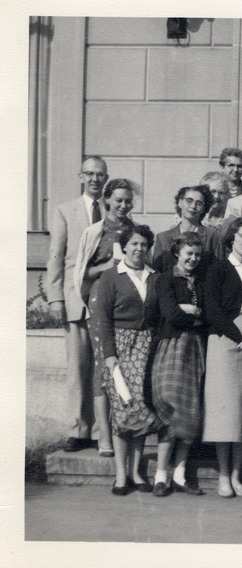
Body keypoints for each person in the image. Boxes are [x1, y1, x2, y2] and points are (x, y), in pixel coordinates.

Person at [46, 156, 109, 454]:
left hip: (107, 301)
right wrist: (55, 296)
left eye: (100, 174)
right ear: (80, 177)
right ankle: (78, 428)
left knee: (103, 367)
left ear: (105, 178)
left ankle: (101, 431)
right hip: (75, 299)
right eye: (89, 174)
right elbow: (56, 257)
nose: (95, 179)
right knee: (78, 368)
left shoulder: (114, 210)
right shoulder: (65, 211)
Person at [93, 225, 161, 495]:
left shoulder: (155, 276)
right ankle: (121, 474)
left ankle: (136, 472)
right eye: (134, 244)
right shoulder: (111, 276)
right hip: (120, 346)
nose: (139, 249)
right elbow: (101, 319)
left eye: (144, 244)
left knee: (142, 407)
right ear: (125, 246)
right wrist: (109, 355)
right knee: (123, 407)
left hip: (148, 346)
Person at [202, 218, 242, 498]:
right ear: (232, 238)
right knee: (224, 415)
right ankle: (224, 477)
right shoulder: (216, 268)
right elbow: (213, 311)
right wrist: (241, 340)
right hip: (224, 344)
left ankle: (238, 476)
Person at [74, 177, 137, 458]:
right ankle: (104, 435)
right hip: (100, 303)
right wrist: (106, 266)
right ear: (107, 200)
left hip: (127, 305)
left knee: (126, 366)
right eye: (119, 200)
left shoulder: (135, 231)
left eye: (128, 201)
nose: (123, 205)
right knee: (103, 366)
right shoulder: (94, 232)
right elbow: (82, 273)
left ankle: (125, 428)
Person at [151, 233, 208, 497]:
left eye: (197, 254)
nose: (193, 258)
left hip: (195, 349)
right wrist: (188, 312)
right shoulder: (166, 278)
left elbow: (207, 316)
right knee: (169, 406)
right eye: (188, 253)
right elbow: (170, 315)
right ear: (177, 252)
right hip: (172, 346)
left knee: (190, 411)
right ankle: (160, 477)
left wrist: (191, 312)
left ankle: (180, 475)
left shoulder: (202, 280)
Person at [152, 184, 224, 275]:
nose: (193, 206)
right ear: (180, 202)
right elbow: (156, 275)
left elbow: (219, 273)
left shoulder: (214, 238)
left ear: (203, 209)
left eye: (199, 203)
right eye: (189, 201)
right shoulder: (162, 238)